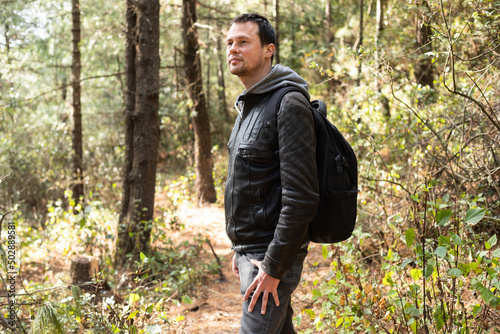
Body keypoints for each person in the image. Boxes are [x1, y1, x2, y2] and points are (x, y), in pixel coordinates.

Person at [224, 13, 319, 334]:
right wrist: (239, 247)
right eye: (230, 43)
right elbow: (250, 184)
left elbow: (302, 197)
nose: (233, 49)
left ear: (269, 50)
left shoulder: (288, 103)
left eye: (243, 42)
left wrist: (275, 267)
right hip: (252, 253)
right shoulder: (249, 107)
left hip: (271, 258)